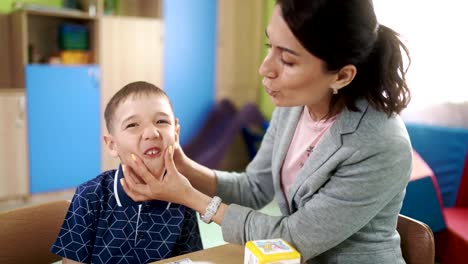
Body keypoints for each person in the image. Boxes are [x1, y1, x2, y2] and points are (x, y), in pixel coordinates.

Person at [121, 0, 412, 263]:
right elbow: (254, 188)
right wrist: (182, 165)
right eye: (268, 46)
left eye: (287, 60)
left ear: (342, 75)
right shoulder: (294, 106)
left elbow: (293, 238)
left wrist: (191, 197)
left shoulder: (381, 143)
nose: (265, 68)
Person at [50, 81, 203, 264]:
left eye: (161, 121)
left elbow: (192, 260)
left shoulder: (182, 197)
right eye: (132, 125)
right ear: (112, 145)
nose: (151, 133)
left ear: (176, 134)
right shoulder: (89, 196)